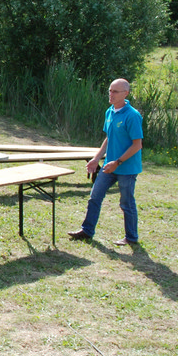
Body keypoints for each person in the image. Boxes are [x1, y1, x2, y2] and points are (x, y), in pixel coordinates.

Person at [68, 79, 143, 246]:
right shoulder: (110, 112)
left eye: (115, 91)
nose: (111, 94)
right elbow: (109, 138)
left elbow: (137, 145)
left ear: (126, 94)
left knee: (126, 203)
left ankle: (131, 237)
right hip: (109, 166)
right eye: (110, 90)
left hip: (127, 168)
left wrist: (118, 162)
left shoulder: (132, 115)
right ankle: (87, 231)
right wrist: (96, 158)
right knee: (94, 197)